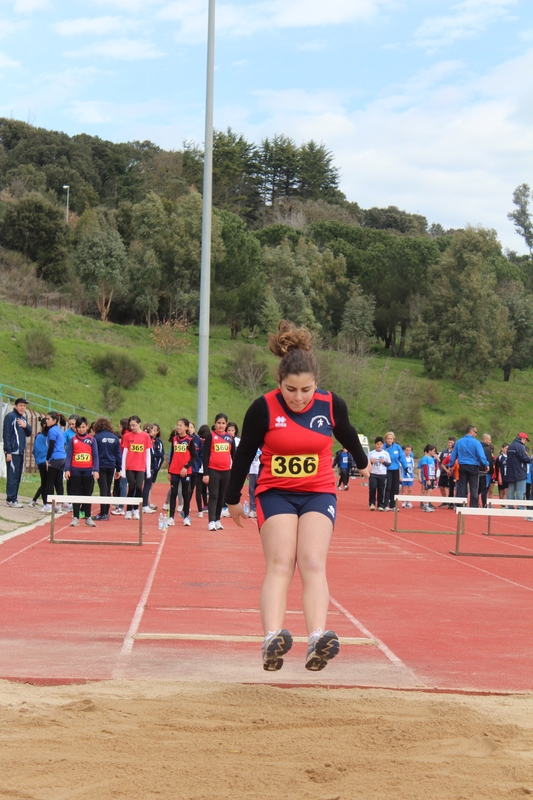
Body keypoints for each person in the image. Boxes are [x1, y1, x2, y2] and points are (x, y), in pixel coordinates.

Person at [225, 320, 370, 672]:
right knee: (280, 563)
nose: (299, 397)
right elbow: (243, 456)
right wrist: (231, 500)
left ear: (316, 384)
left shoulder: (331, 404)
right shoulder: (263, 408)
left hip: (319, 491)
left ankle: (317, 638)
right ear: (279, 383)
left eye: (306, 389)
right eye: (291, 389)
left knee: (312, 562)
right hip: (275, 492)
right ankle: (272, 638)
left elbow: (348, 435)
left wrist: (364, 463)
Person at [203, 413, 235, 532]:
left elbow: (234, 456)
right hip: (213, 471)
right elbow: (205, 456)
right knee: (213, 495)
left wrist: (235, 473)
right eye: (218, 423)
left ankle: (217, 520)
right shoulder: (211, 436)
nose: (221, 425)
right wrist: (206, 473)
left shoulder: (230, 438)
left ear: (226, 424)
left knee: (222, 496)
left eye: (223, 423)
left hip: (226, 471)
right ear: (215, 423)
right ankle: (211, 521)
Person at [64, 417, 99, 527]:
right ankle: (75, 517)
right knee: (76, 493)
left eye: (83, 427)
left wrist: (96, 470)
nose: (81, 429)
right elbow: (69, 456)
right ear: (76, 428)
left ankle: (88, 517)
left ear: (87, 426)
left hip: (88, 470)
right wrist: (66, 470)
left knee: (87, 493)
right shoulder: (72, 440)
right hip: (75, 470)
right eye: (79, 427)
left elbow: (95, 456)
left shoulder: (92, 440)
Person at [449, 426, 488, 508]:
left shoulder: (459, 442)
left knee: (462, 486)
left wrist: (451, 465)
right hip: (473, 466)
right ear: (471, 432)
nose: (476, 434)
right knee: (474, 487)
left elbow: (453, 455)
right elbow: (481, 455)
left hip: (462, 466)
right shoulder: (476, 443)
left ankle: (461, 504)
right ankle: (473, 506)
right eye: (475, 432)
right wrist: (486, 464)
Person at [121, 416, 152, 521]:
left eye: (134, 425)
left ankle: (136, 509)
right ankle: (128, 510)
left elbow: (148, 454)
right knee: (132, 486)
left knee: (139, 487)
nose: (132, 427)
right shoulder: (127, 436)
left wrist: (148, 470)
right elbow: (124, 453)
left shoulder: (146, 436)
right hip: (130, 466)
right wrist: (123, 469)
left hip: (141, 467)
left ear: (139, 424)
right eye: (130, 425)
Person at [167, 418, 197, 527]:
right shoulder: (174, 439)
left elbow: (194, 457)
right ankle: (171, 517)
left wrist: (186, 466)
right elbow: (172, 456)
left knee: (185, 493)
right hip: (174, 470)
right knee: (173, 493)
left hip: (186, 471)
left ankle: (186, 516)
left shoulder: (190, 440)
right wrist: (169, 471)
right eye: (177, 425)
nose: (178, 427)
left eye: (181, 425)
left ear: (186, 428)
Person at [3, 398, 31, 508]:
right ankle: (10, 499)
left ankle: (14, 498)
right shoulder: (10, 417)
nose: (22, 408)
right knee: (12, 475)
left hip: (20, 452)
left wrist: (25, 426)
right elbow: (7, 435)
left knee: (18, 476)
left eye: (24, 406)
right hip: (13, 452)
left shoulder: (23, 418)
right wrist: (8, 451)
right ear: (15, 406)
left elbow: (29, 433)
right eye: (20, 405)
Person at [93, 417, 122, 521]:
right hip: (111, 466)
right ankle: (106, 513)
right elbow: (118, 454)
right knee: (108, 488)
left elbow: (94, 453)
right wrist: (118, 469)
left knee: (103, 489)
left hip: (100, 465)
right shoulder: (114, 438)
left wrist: (94, 467)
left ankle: (103, 513)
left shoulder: (96, 437)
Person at [42, 412, 66, 513]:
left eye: (48, 419)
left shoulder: (52, 431)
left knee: (50, 481)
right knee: (59, 482)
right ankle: (59, 505)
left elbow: (51, 446)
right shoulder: (59, 430)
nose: (46, 421)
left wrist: (47, 459)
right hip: (62, 458)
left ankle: (49, 505)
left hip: (55, 458)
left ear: (54, 420)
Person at [383, 431, 408, 511]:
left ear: (393, 439)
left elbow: (402, 457)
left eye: (391, 439)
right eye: (388, 439)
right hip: (387, 470)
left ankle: (393, 505)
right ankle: (385, 504)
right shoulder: (384, 448)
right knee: (388, 487)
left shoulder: (397, 447)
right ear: (385, 439)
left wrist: (405, 467)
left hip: (396, 470)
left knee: (395, 487)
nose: (389, 440)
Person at [506, 432, 532, 509]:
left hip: (510, 473)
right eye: (525, 440)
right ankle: (520, 508)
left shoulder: (510, 446)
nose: (526, 442)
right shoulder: (521, 446)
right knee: (520, 492)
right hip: (520, 473)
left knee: (510, 492)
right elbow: (524, 458)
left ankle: (510, 507)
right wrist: (530, 459)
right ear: (522, 439)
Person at [111, 418, 130, 516]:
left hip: (126, 464)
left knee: (123, 485)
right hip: (133, 464)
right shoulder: (130, 435)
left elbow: (122, 452)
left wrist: (119, 466)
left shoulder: (126, 436)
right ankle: (132, 508)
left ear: (122, 427)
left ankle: (121, 507)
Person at [28, 418, 48, 508]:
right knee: (45, 484)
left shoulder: (41, 436)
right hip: (45, 462)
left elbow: (35, 451)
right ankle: (35, 500)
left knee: (45, 483)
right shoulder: (42, 437)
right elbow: (37, 450)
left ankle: (43, 503)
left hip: (42, 462)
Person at [368, 437, 390, 510]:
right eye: (377, 444)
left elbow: (389, 464)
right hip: (373, 473)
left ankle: (380, 504)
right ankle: (372, 503)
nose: (379, 445)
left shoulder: (386, 454)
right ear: (375, 444)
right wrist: (371, 462)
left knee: (381, 489)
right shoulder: (371, 453)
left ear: (383, 445)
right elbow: (367, 464)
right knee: (373, 488)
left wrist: (383, 462)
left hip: (382, 474)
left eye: (380, 444)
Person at [188, 422, 205, 518]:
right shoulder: (183, 439)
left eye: (192, 427)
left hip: (195, 469)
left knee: (197, 489)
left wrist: (198, 466)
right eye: (188, 427)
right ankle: (185, 508)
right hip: (186, 469)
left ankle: (200, 510)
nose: (190, 429)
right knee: (187, 490)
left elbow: (201, 454)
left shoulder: (197, 440)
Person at [417, 445, 438, 512]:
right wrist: (427, 479)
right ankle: (425, 506)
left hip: (432, 477)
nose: (434, 452)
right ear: (429, 451)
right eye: (433, 451)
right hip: (427, 478)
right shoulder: (425, 458)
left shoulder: (432, 459)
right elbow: (425, 469)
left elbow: (434, 469)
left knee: (430, 491)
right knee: (428, 490)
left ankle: (427, 505)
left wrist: (434, 479)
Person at [438, 437, 456, 508]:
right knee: (441, 486)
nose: (450, 444)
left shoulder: (454, 452)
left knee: (450, 488)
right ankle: (445, 500)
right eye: (449, 442)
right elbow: (440, 461)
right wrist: (440, 468)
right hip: (443, 472)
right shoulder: (444, 451)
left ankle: (451, 502)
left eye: (451, 442)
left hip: (451, 473)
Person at [478, 434, 494, 508]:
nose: (490, 442)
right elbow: (489, 460)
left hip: (476, 470)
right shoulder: (487, 449)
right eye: (489, 440)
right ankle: (484, 504)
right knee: (484, 489)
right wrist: (491, 471)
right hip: (484, 471)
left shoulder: (477, 446)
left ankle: (474, 503)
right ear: (485, 439)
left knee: (476, 488)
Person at [248, 448, 262, 519]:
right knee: (251, 490)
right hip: (252, 471)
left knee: (260, 491)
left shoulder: (263, 446)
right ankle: (253, 509)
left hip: (260, 471)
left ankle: (260, 509)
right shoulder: (251, 446)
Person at [399, 444, 414, 508]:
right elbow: (400, 468)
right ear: (404, 451)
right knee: (403, 489)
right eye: (407, 450)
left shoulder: (411, 459)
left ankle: (408, 501)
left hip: (410, 476)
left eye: (409, 450)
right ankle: (403, 502)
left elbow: (412, 468)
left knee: (410, 489)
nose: (408, 451)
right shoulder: (402, 459)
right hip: (404, 476)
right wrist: (400, 476)